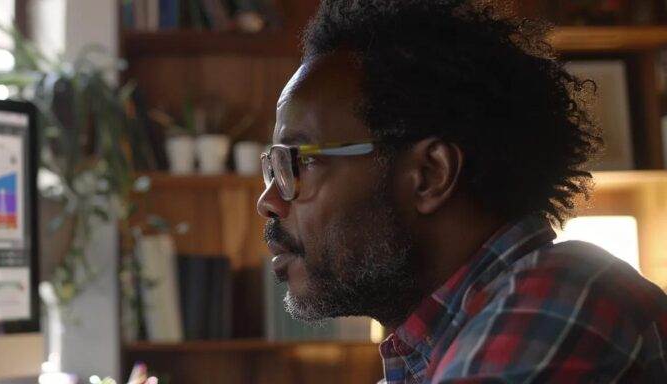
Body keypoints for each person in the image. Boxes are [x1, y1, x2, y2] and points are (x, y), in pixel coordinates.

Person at [255, 1, 667, 382]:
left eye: (300, 161)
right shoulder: (424, 359)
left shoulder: (567, 296)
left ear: (430, 174)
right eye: (272, 169)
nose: (268, 201)